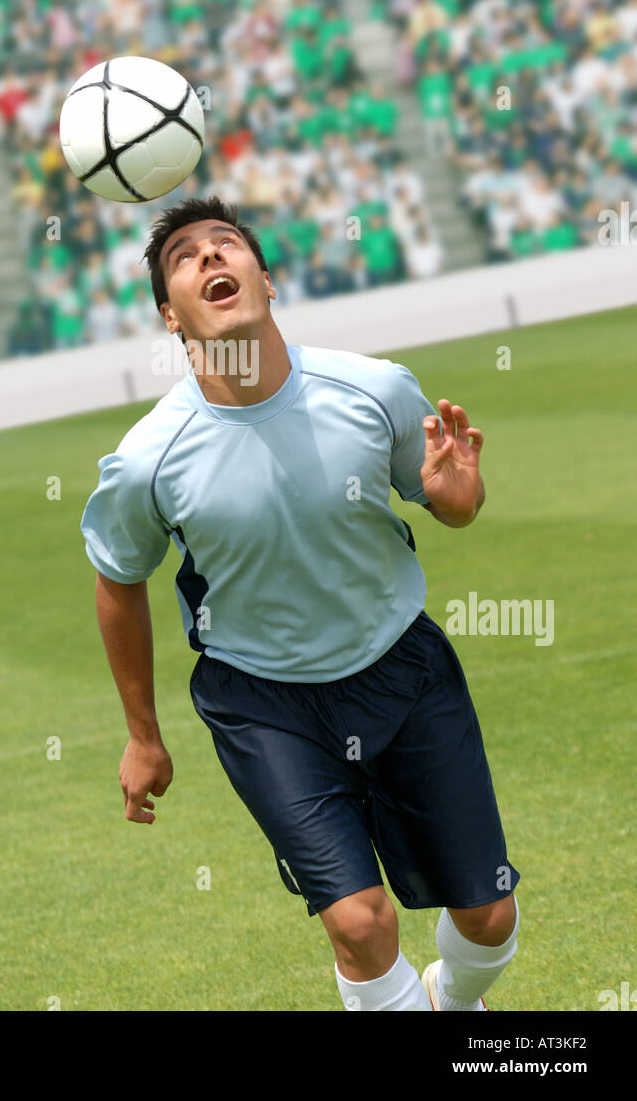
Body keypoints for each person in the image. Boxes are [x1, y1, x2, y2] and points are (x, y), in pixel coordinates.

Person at [80, 196, 519, 1012]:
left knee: (489, 916)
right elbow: (117, 580)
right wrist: (142, 735)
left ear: (267, 281)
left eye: (225, 246)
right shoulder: (147, 459)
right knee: (359, 923)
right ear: (169, 318)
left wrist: (460, 497)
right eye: (185, 257)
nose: (211, 260)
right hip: (265, 703)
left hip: (401, 668)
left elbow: (446, 503)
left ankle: (453, 1003)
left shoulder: (374, 389)